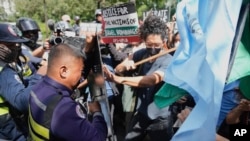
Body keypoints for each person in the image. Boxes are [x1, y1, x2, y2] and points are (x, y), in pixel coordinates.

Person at [104, 15, 174, 141]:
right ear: (144, 41)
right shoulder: (141, 54)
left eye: (157, 45)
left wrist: (119, 79)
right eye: (149, 44)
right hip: (141, 114)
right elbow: (118, 69)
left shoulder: (169, 61)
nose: (152, 49)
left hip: (160, 119)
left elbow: (151, 80)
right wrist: (125, 66)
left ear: (164, 42)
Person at [28, 43, 107, 140]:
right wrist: (97, 112)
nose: (82, 77)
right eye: (81, 72)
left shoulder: (38, 86)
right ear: (64, 71)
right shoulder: (63, 108)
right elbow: (98, 138)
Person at [0, 23, 46, 140]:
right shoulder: (3, 70)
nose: (15, 47)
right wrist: (39, 76)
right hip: (8, 128)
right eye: (10, 44)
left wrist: (35, 77)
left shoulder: (8, 66)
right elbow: (22, 102)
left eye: (16, 44)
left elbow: (20, 81)